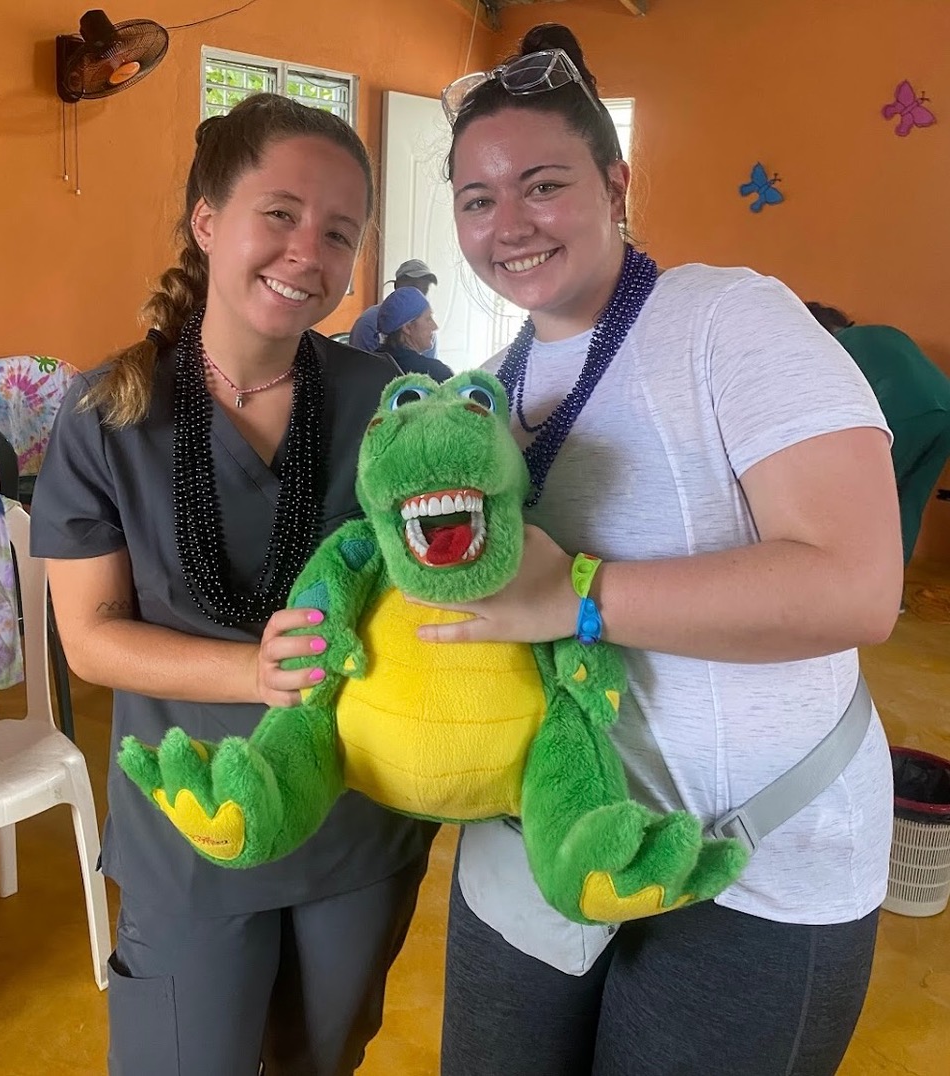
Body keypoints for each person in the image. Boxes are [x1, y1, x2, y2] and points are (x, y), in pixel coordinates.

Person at [422, 23, 901, 1075]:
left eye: (544, 184)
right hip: (546, 837)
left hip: (752, 865)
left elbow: (858, 584)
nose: (510, 225)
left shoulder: (730, 320)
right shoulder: (489, 388)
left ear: (615, 181)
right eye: (477, 199)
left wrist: (580, 595)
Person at [29, 93, 436, 1076]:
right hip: (191, 818)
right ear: (207, 220)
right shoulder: (108, 414)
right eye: (281, 213)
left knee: (321, 1057)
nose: (309, 252)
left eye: (339, 233)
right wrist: (256, 673)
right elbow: (91, 636)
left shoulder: (388, 407)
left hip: (355, 824)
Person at [806, 302, 950, 566]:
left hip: (902, 411)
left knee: (866, 500)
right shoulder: (883, 333)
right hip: (945, 410)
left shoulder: (833, 348)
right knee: (910, 500)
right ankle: (894, 584)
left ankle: (855, 576)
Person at [348, 258, 440, 356]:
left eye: (424, 290)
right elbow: (362, 363)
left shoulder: (427, 329)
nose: (418, 295)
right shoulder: (368, 322)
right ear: (396, 286)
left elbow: (431, 362)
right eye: (413, 288)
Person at [375, 286, 452, 382]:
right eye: (428, 319)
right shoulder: (437, 373)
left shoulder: (368, 362)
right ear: (407, 328)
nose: (435, 326)